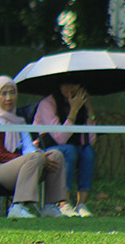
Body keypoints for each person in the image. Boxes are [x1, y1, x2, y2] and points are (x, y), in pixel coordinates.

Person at [0, 76, 69, 219]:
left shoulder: (19, 121)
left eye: (12, 93)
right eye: (3, 93)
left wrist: (41, 157)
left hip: (17, 168)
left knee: (55, 155)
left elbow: (28, 148)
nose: (9, 98)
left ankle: (50, 206)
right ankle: (18, 207)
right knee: (35, 158)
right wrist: (34, 158)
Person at [32, 83, 96, 217]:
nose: (70, 89)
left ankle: (81, 204)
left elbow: (90, 141)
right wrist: (73, 112)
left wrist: (89, 111)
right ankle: (63, 202)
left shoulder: (81, 105)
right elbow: (59, 138)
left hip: (72, 146)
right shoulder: (47, 104)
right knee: (69, 151)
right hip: (48, 148)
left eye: (74, 85)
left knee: (88, 152)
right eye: (65, 85)